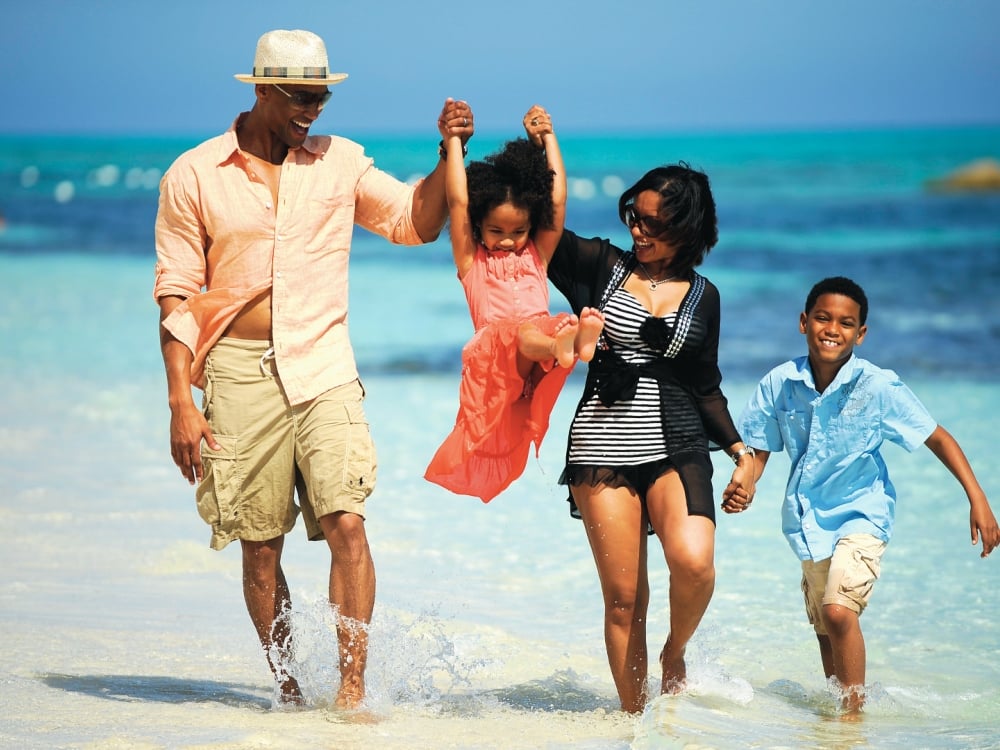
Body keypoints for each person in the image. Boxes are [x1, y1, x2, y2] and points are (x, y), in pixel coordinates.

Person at [152, 28, 474, 710]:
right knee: (260, 546)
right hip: (237, 371)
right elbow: (176, 292)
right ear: (262, 89)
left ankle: (351, 692)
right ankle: (291, 692)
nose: (313, 110)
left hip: (323, 361)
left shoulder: (341, 163)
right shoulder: (193, 174)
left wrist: (450, 153)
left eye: (322, 97)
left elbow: (415, 223)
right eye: (301, 96)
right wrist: (181, 398)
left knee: (346, 522)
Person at [723, 275, 999, 716]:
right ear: (803, 322)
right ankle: (838, 714)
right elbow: (759, 450)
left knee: (837, 612)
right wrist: (747, 481)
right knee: (825, 630)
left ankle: (853, 719)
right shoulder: (779, 383)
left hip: (863, 516)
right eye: (823, 318)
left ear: (861, 333)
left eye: (846, 323)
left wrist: (977, 498)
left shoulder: (878, 386)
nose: (833, 329)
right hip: (807, 521)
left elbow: (937, 437)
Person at [545, 163, 755, 713]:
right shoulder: (600, 265)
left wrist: (740, 452)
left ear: (688, 229)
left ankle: (675, 649)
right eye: (634, 217)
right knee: (623, 600)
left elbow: (705, 385)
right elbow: (541, 224)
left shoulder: (705, 295)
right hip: (602, 447)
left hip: (679, 443)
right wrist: (544, 148)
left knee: (693, 563)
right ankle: (634, 724)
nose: (639, 230)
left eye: (653, 222)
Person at [424, 105, 604, 503]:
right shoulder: (472, 262)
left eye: (519, 230)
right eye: (496, 231)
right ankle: (569, 347)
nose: (508, 240)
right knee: (527, 332)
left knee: (541, 327)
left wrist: (549, 140)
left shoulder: (537, 255)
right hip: (497, 360)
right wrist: (454, 143)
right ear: (478, 227)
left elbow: (557, 201)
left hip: (537, 353)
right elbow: (457, 202)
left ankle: (574, 346)